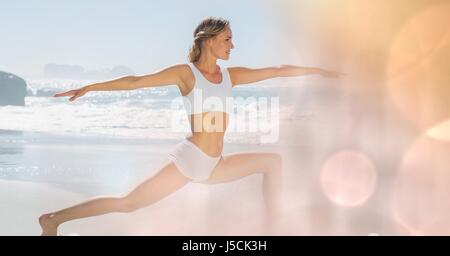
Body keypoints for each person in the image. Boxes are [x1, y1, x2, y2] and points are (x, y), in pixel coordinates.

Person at [40, 16, 343, 236]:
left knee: (272, 162)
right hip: (190, 160)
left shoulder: (230, 75)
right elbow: (135, 82)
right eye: (227, 39)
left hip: (215, 164)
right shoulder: (186, 74)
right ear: (209, 41)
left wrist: (319, 71)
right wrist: (90, 88)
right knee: (128, 203)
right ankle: (53, 219)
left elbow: (276, 71)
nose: (232, 45)